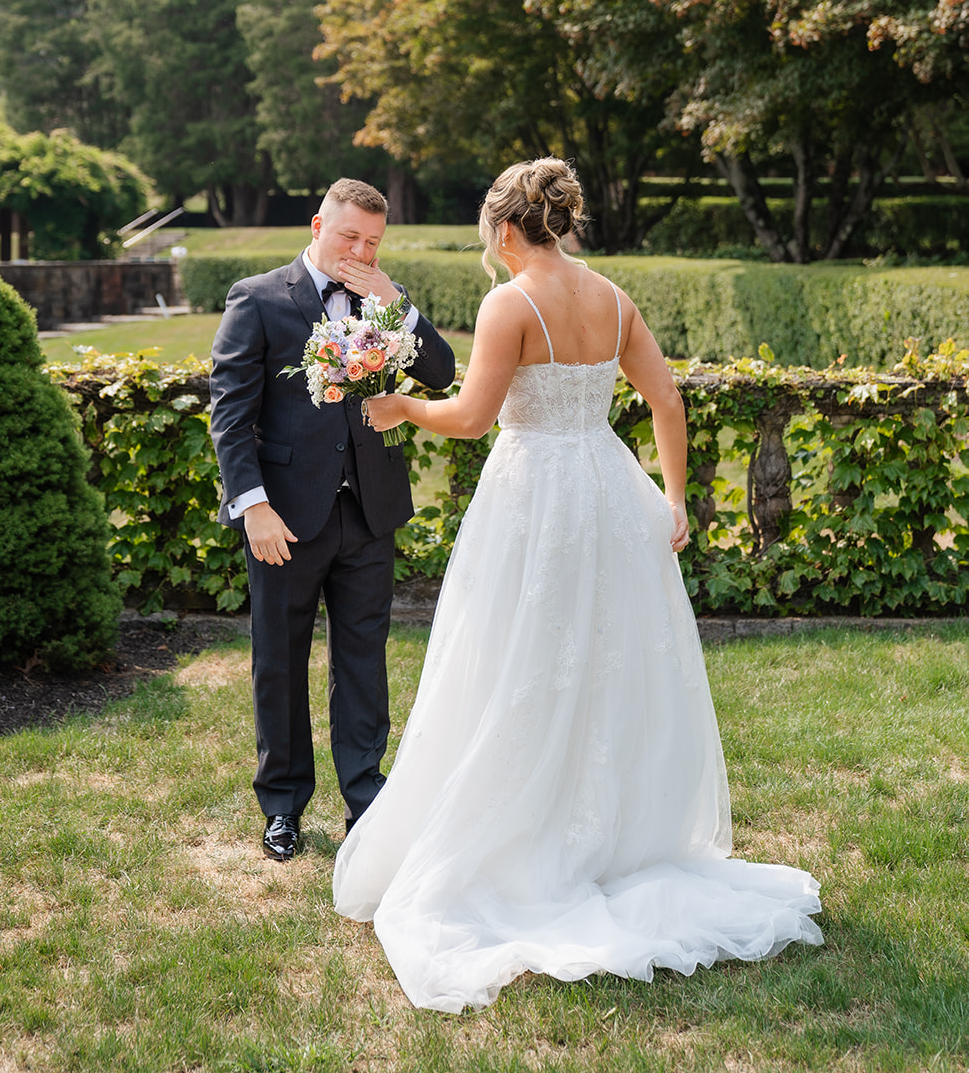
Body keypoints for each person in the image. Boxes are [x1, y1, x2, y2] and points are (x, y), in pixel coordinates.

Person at [333, 158, 822, 1012]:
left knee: (513, 659)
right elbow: (664, 397)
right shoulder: (612, 297)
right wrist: (672, 497)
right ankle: (611, 836)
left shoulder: (508, 303)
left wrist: (404, 409)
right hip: (606, 487)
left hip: (532, 501)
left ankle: (525, 836)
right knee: (604, 662)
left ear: (505, 228)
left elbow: (474, 418)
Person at [210, 179, 456, 863]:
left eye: (373, 242)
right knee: (279, 663)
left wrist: (393, 300)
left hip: (369, 513)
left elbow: (441, 371)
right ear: (318, 224)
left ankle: (366, 801)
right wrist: (253, 506)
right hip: (284, 518)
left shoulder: (383, 299)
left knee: (363, 661)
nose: (359, 250)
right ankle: (282, 806)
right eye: (349, 236)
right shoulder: (257, 299)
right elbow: (229, 414)